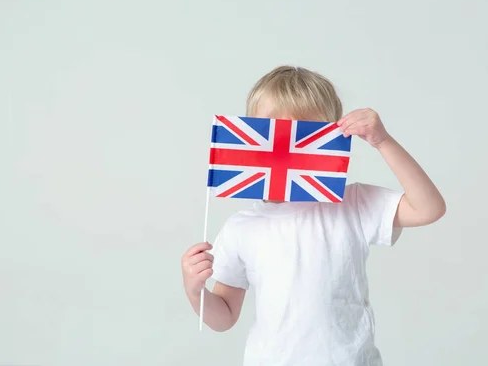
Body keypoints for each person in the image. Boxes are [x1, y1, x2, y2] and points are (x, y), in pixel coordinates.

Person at [181, 65, 446, 365]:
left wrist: (383, 142)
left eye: (303, 131)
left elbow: (428, 208)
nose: (286, 144)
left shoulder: (353, 204)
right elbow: (225, 316)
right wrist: (195, 290)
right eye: (273, 128)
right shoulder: (241, 228)